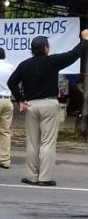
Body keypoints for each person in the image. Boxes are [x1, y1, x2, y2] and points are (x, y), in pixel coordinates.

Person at [8, 31, 88, 187]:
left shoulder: (24, 65)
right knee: (47, 143)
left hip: (31, 106)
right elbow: (73, 54)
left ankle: (31, 176)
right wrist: (85, 40)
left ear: (32, 49)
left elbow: (12, 82)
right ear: (45, 48)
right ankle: (44, 178)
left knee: (32, 142)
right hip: (49, 104)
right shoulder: (53, 61)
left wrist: (20, 100)